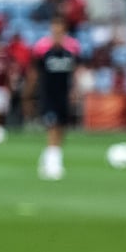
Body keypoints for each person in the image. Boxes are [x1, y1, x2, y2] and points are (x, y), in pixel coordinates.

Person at [30, 16, 80, 180]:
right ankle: (53, 163)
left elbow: (74, 72)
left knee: (61, 128)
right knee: (52, 126)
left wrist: (74, 91)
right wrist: (32, 92)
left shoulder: (71, 50)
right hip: (48, 94)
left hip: (63, 94)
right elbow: (35, 72)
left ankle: (50, 155)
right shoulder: (43, 50)